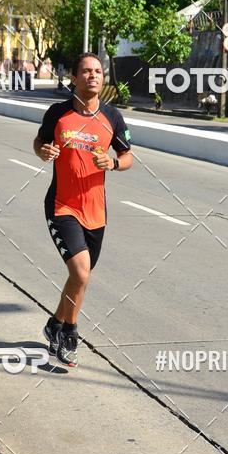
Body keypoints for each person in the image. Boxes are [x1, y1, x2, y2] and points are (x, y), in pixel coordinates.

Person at [33, 52, 133, 368]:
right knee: (80, 272)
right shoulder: (58, 113)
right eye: (87, 71)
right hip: (62, 206)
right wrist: (43, 151)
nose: (93, 75)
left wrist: (114, 163)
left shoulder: (112, 117)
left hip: (96, 211)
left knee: (81, 278)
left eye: (98, 71)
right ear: (74, 78)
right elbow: (39, 142)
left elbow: (128, 156)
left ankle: (55, 323)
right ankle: (70, 333)